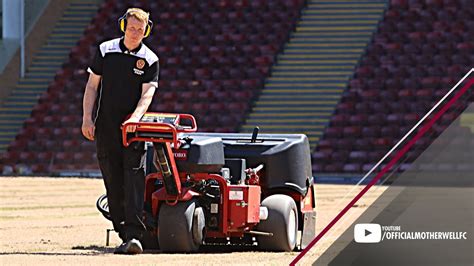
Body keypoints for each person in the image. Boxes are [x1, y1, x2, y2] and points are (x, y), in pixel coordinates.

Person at [81, 7, 159, 255]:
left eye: (140, 29)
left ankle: (135, 235)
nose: (135, 33)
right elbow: (92, 87)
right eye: (132, 27)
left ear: (146, 31)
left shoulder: (150, 59)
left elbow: (148, 93)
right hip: (105, 126)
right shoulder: (106, 50)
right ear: (124, 26)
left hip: (133, 129)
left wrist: (135, 119)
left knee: (134, 179)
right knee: (112, 180)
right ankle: (123, 232)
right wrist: (86, 119)